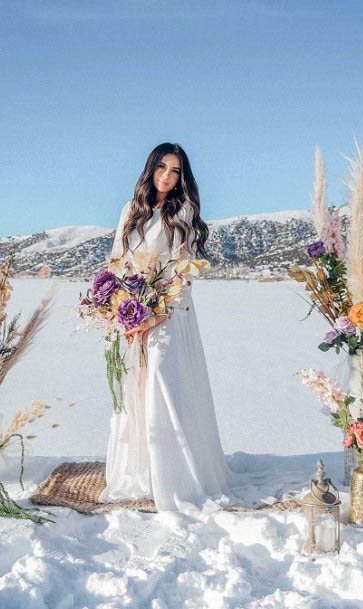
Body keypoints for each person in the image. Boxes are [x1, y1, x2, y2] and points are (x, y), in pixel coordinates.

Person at [99, 142, 267, 515]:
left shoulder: (184, 212)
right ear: (150, 169)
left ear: (182, 177)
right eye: (162, 167)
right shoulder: (131, 210)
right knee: (135, 385)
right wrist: (119, 309)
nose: (167, 176)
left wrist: (153, 315)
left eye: (176, 171)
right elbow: (117, 261)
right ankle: (141, 472)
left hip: (169, 311)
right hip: (132, 310)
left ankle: (174, 476)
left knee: (162, 378)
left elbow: (181, 272)